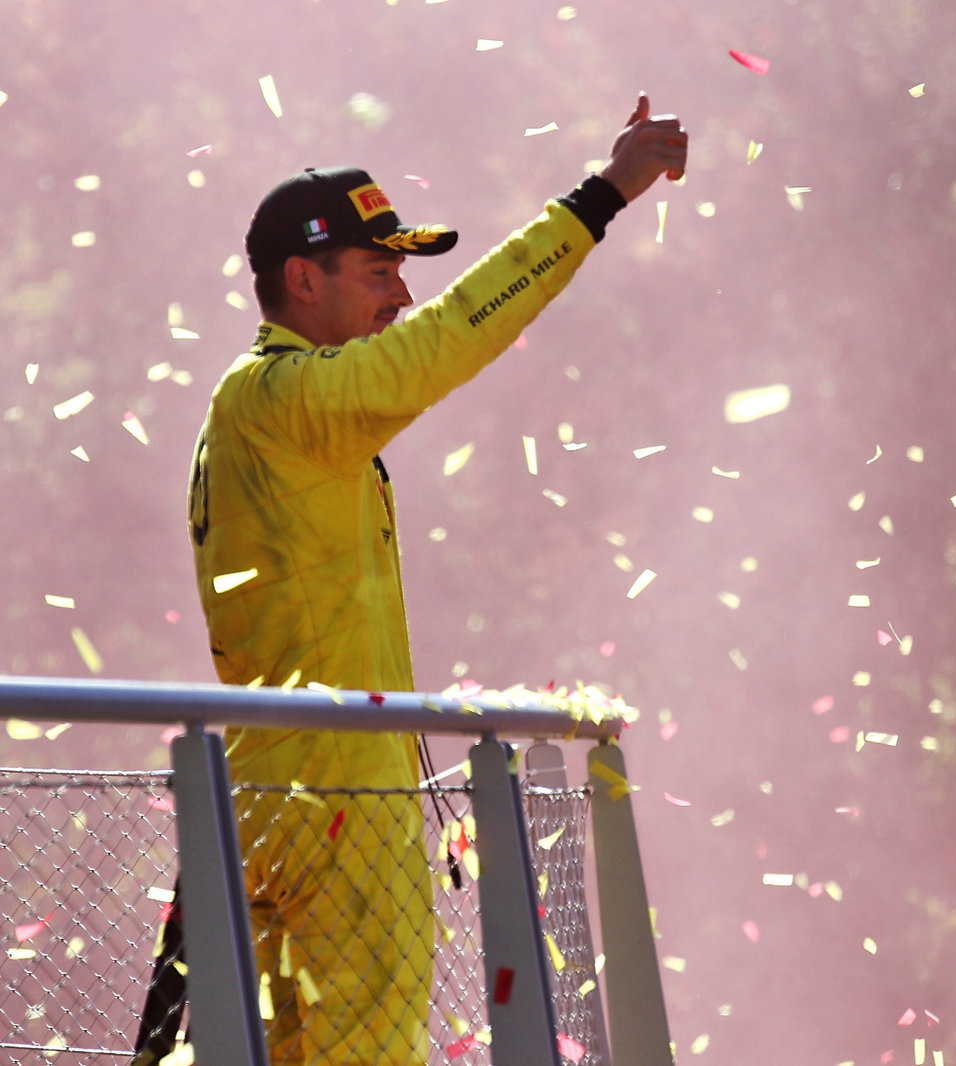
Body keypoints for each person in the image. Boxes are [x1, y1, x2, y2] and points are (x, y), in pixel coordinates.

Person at [183, 95, 687, 1065]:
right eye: (378, 272)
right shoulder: (284, 398)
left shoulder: (253, 406)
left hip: (270, 798)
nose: (402, 297)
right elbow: (455, 332)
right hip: (340, 808)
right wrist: (604, 195)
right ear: (302, 277)